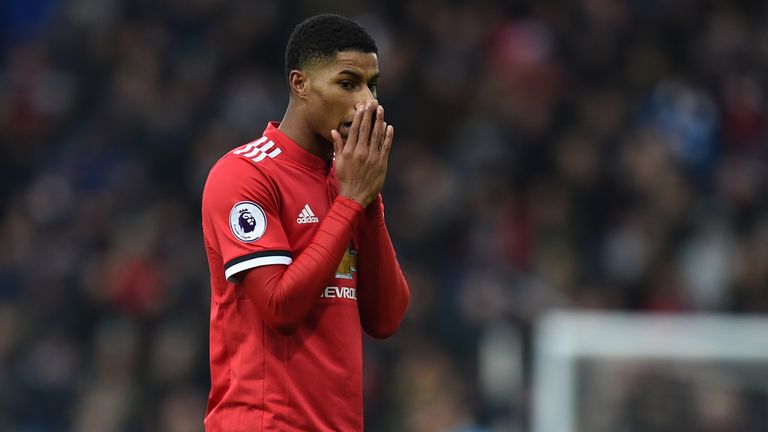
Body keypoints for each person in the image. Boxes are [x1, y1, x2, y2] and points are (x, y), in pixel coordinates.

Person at [200, 14, 410, 431]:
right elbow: (280, 307)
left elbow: (385, 320)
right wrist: (351, 201)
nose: (367, 102)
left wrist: (367, 204)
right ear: (300, 84)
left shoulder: (347, 182)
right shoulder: (245, 175)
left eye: (373, 85)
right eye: (348, 83)